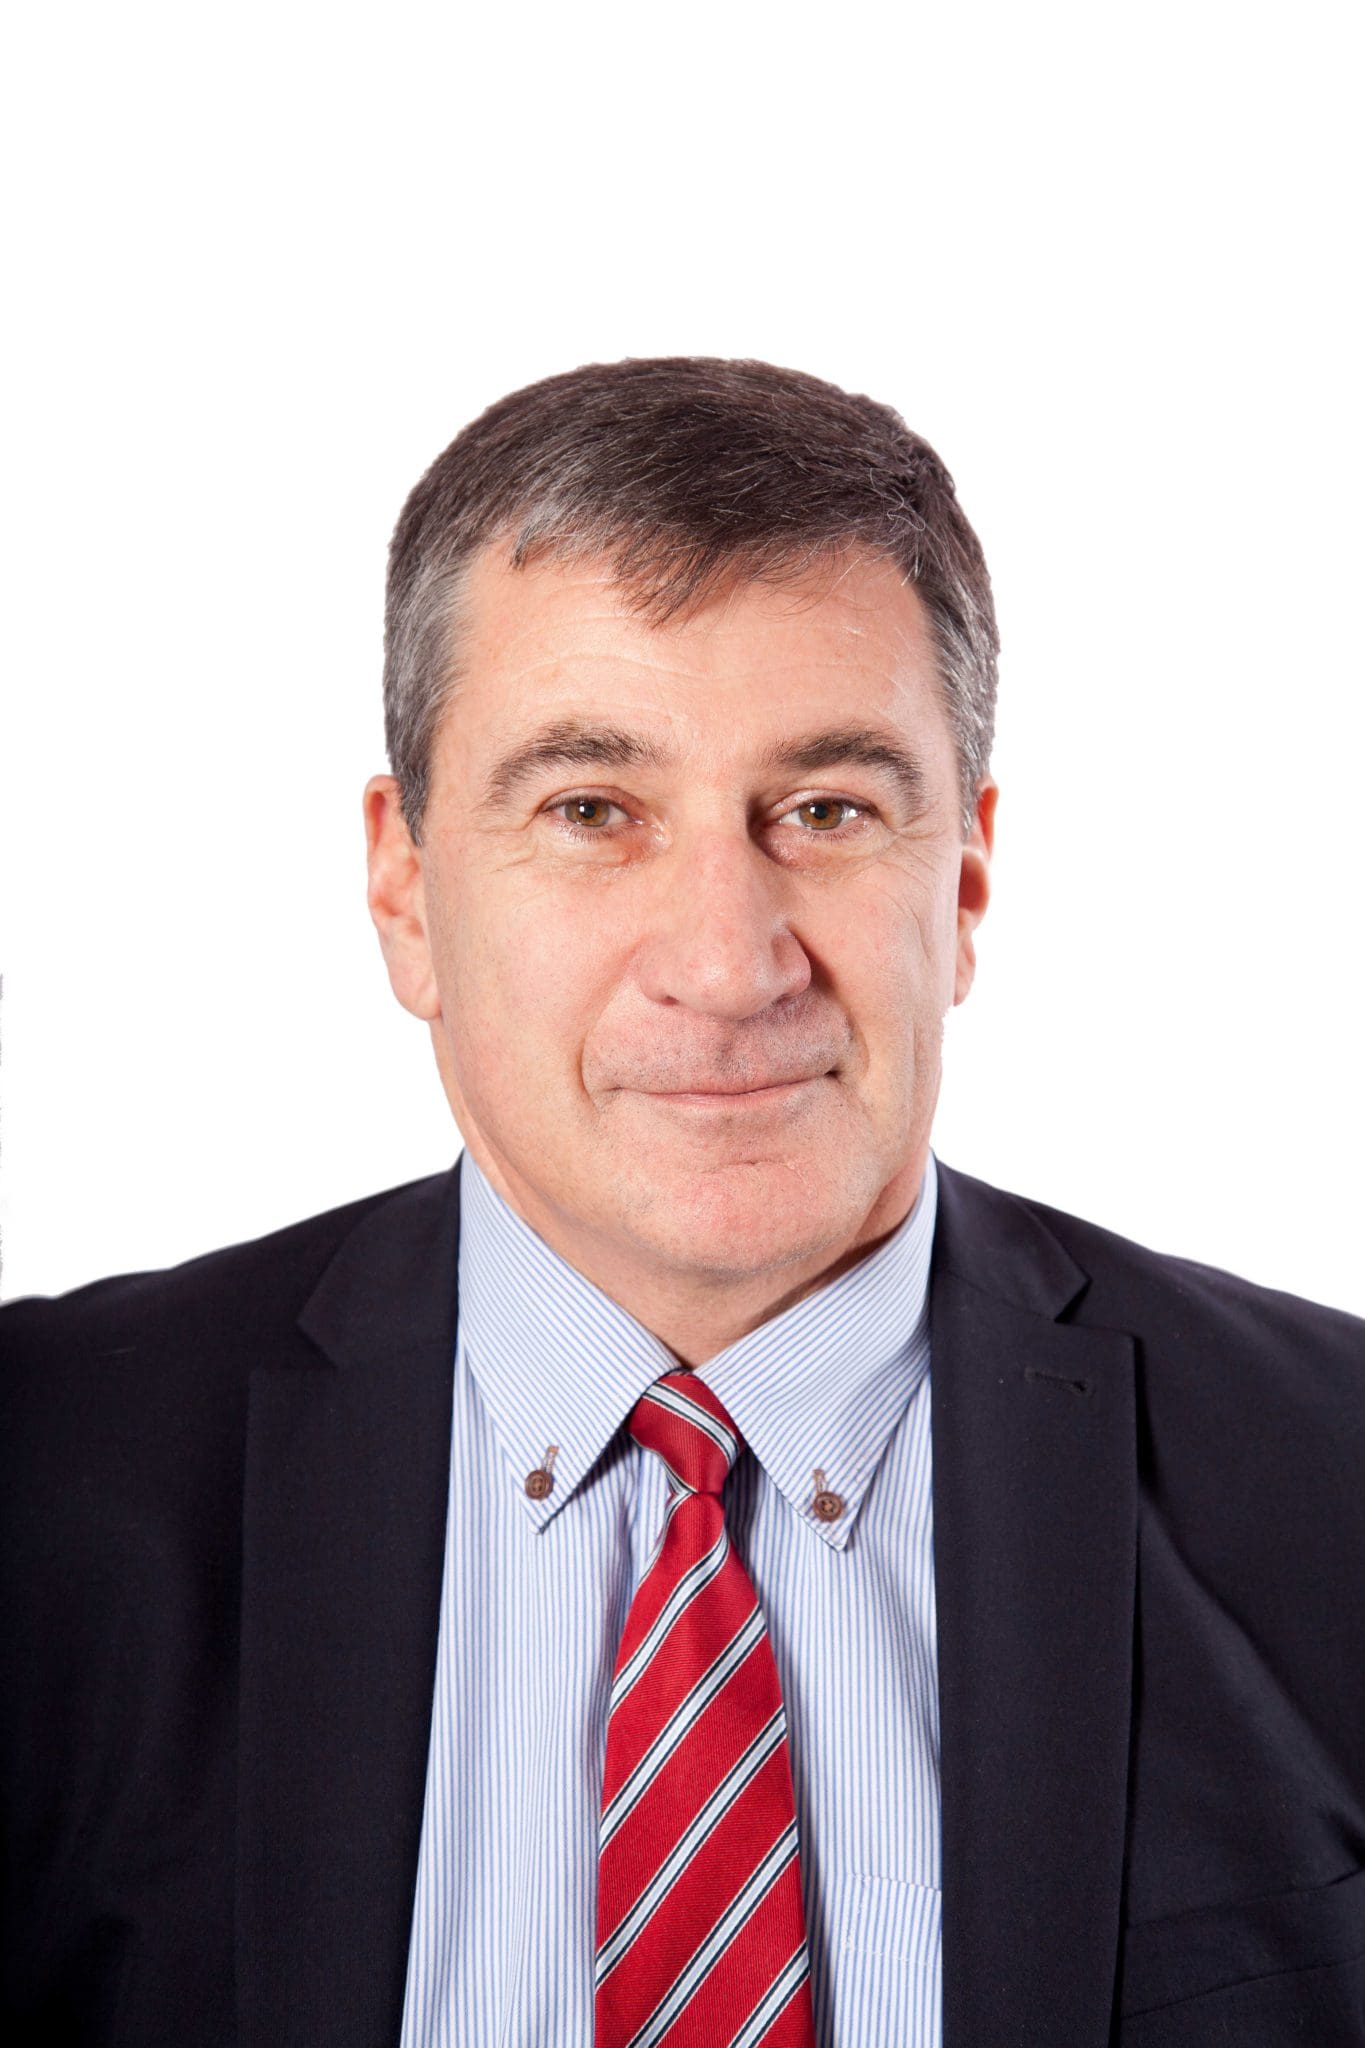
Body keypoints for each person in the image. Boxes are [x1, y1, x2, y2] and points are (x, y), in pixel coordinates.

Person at [2, 357, 1362, 2048]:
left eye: (826, 811)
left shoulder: (1333, 1482)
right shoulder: (40, 1476)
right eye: (591, 811)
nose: (728, 964)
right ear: (405, 888)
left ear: (962, 882)